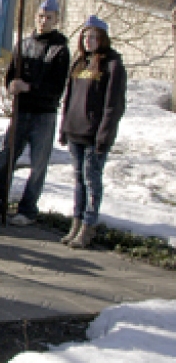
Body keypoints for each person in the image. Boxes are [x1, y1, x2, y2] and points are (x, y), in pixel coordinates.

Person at [0, 0, 70, 225]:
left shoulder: (59, 50)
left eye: (49, 18)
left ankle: (28, 208)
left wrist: (30, 87)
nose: (44, 21)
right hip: (21, 110)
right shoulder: (23, 45)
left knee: (38, 163)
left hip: (44, 113)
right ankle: (0, 197)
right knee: (6, 156)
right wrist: (12, 84)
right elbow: (11, 75)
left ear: (56, 20)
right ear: (35, 17)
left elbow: (56, 87)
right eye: (41, 16)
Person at [58, 15, 126, 249]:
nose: (89, 41)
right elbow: (69, 99)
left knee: (91, 179)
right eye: (86, 36)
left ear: (103, 39)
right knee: (78, 180)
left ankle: (89, 225)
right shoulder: (80, 63)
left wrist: (104, 135)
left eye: (94, 36)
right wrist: (64, 127)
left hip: (94, 135)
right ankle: (76, 222)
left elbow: (113, 105)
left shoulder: (112, 65)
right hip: (75, 131)